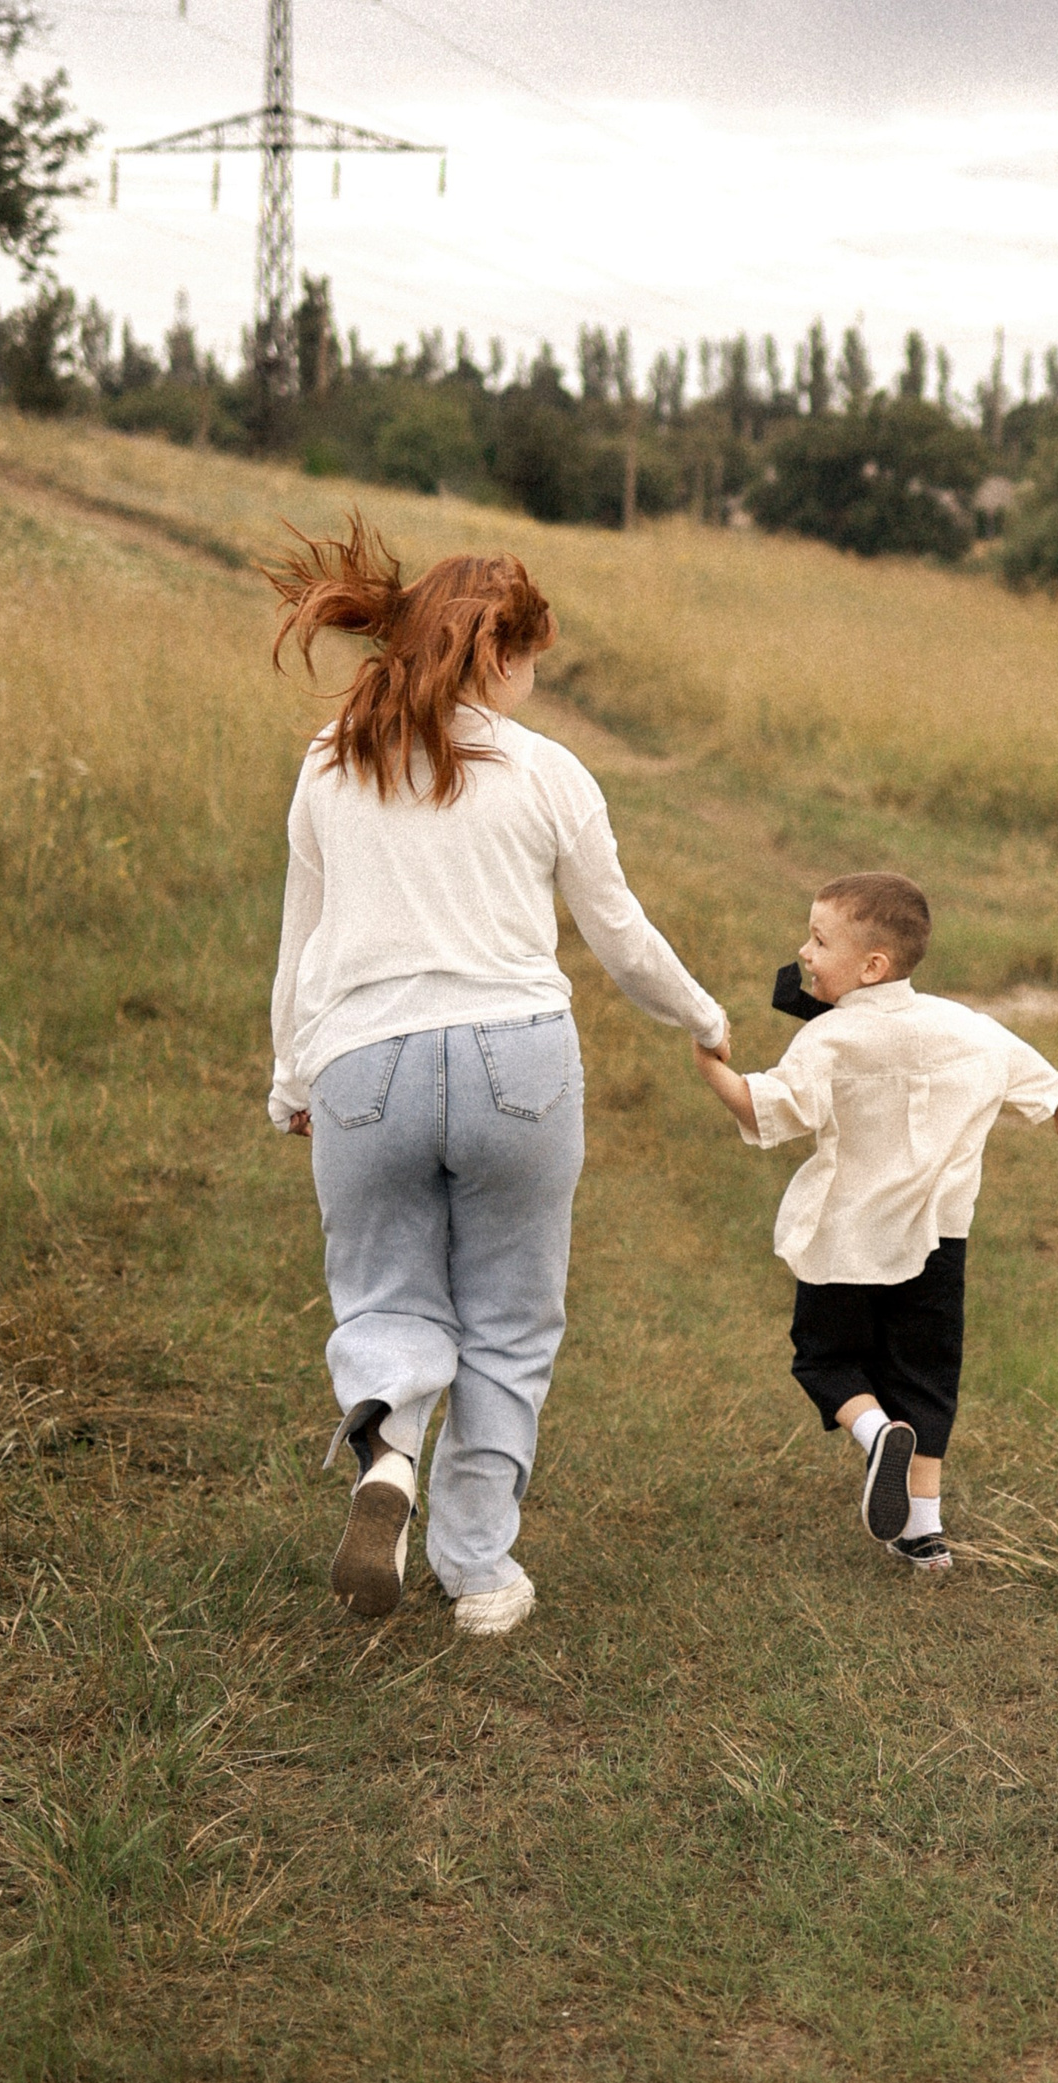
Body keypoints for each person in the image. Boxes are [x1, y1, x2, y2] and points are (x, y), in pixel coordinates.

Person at [263, 517, 729, 1634]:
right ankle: (479, 1574)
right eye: (530, 658)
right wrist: (702, 1018)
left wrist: (291, 1081)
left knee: (386, 1295)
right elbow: (619, 935)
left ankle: (388, 1461)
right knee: (511, 1322)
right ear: (494, 653)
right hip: (514, 1061)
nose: (533, 678)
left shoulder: (333, 763)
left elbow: (303, 942)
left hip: (362, 1063)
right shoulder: (548, 772)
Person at [694, 871, 1058, 1571]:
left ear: (871, 966)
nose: (805, 953)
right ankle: (926, 1534)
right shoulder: (962, 1026)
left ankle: (876, 1432)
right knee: (927, 1374)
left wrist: (712, 1070)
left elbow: (768, 1110)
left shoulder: (829, 1044)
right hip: (940, 1239)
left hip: (848, 1235)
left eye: (819, 942)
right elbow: (1019, 1063)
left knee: (823, 1355)